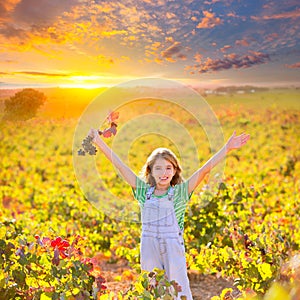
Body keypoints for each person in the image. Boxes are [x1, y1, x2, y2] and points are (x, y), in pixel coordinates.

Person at [88, 128, 250, 299]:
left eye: (168, 168)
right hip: (149, 246)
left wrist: (228, 147)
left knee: (178, 288)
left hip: (172, 246)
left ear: (174, 171)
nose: (163, 173)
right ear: (150, 171)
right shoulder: (143, 191)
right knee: (152, 287)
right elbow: (121, 166)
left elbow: (204, 170)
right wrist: (99, 141)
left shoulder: (180, 192)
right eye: (158, 168)